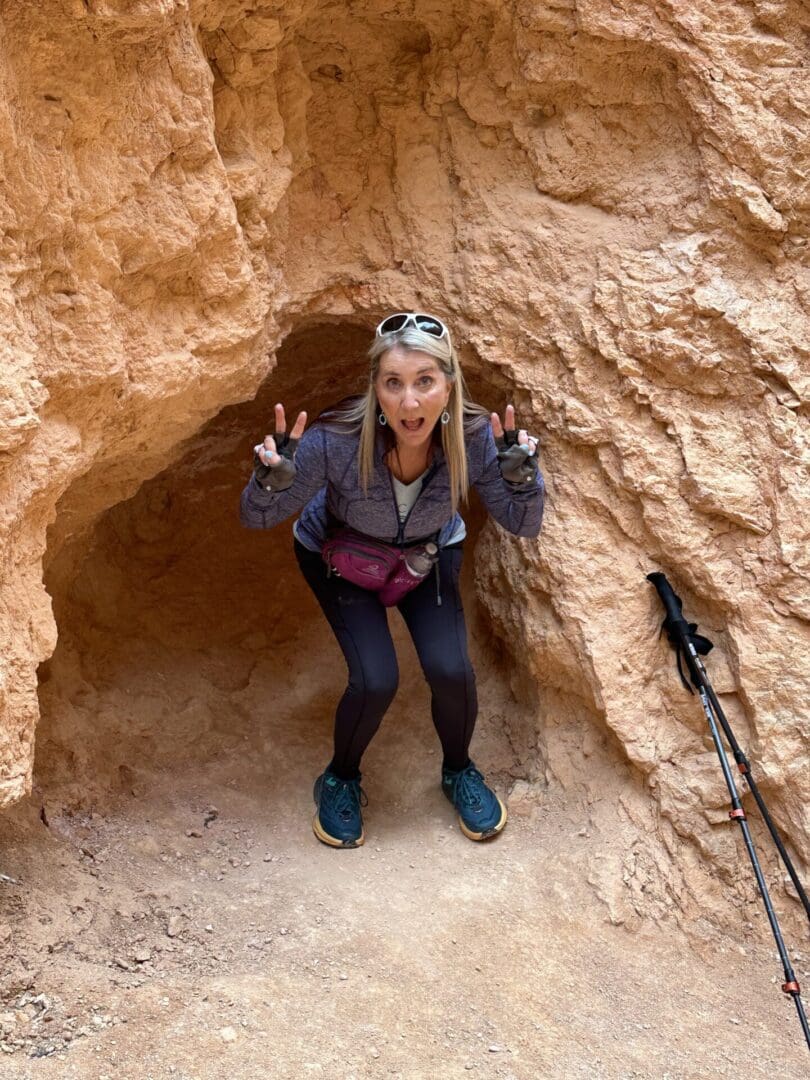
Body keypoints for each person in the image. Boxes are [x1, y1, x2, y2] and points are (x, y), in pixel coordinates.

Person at [240, 312, 544, 848]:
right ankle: (340, 778)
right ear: (375, 388)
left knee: (452, 670)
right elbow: (257, 519)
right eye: (394, 383)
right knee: (376, 678)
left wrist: (522, 479)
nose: (410, 403)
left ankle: (459, 770)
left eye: (425, 381)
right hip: (340, 556)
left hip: (427, 557)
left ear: (449, 384)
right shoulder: (335, 438)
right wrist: (270, 482)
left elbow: (524, 523)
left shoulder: (474, 436)